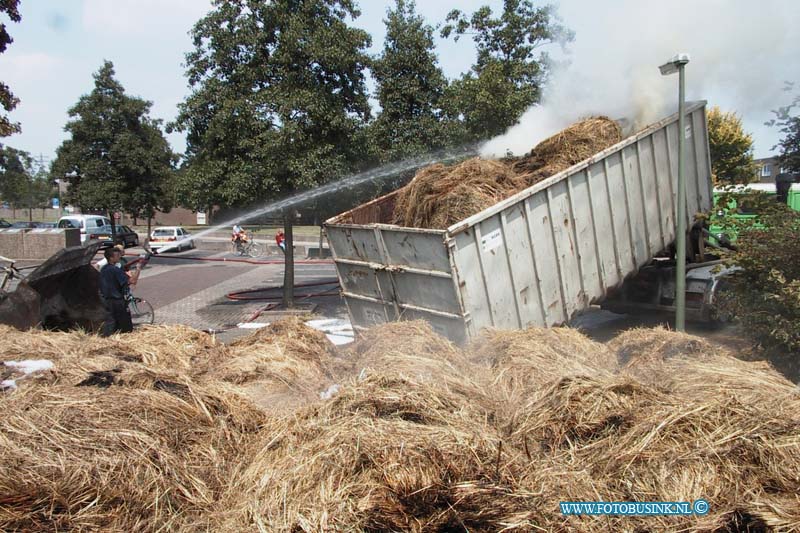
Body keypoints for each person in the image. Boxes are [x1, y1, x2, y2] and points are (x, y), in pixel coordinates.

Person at [99, 247, 133, 336]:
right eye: (117, 256)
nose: (119, 257)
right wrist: (138, 268)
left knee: (111, 322)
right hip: (117, 301)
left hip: (106, 300)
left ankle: (107, 337)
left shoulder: (104, 269)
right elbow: (132, 281)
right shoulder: (115, 270)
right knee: (124, 325)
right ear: (111, 258)